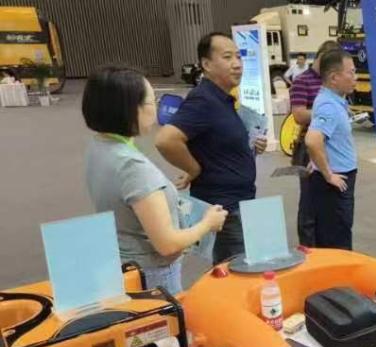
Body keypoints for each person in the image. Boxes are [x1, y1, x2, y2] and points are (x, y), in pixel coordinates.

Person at [83, 66, 227, 294]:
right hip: (151, 274)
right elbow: (167, 244)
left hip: (123, 262)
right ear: (131, 109)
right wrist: (208, 223)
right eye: (152, 101)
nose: (157, 107)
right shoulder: (132, 167)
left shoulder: (100, 145)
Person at [155, 32, 267, 265]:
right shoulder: (204, 100)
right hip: (225, 209)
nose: (237, 64)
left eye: (238, 56)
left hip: (240, 202)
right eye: (227, 57)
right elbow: (166, 140)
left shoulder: (223, 100)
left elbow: (213, 141)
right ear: (206, 64)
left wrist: (250, 146)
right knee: (237, 273)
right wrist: (193, 169)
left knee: (245, 269)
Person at [304, 49, 358, 249]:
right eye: (351, 72)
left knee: (334, 233)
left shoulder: (333, 100)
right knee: (337, 238)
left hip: (338, 178)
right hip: (336, 183)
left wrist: (315, 161)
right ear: (334, 78)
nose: (355, 77)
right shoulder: (329, 106)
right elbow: (312, 140)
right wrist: (328, 174)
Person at [290, 40, 342, 247]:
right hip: (309, 147)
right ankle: (308, 247)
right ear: (320, 57)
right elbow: (299, 115)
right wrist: (328, 112)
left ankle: (326, 246)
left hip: (332, 147)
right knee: (309, 201)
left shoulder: (331, 81)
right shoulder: (302, 81)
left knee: (328, 200)